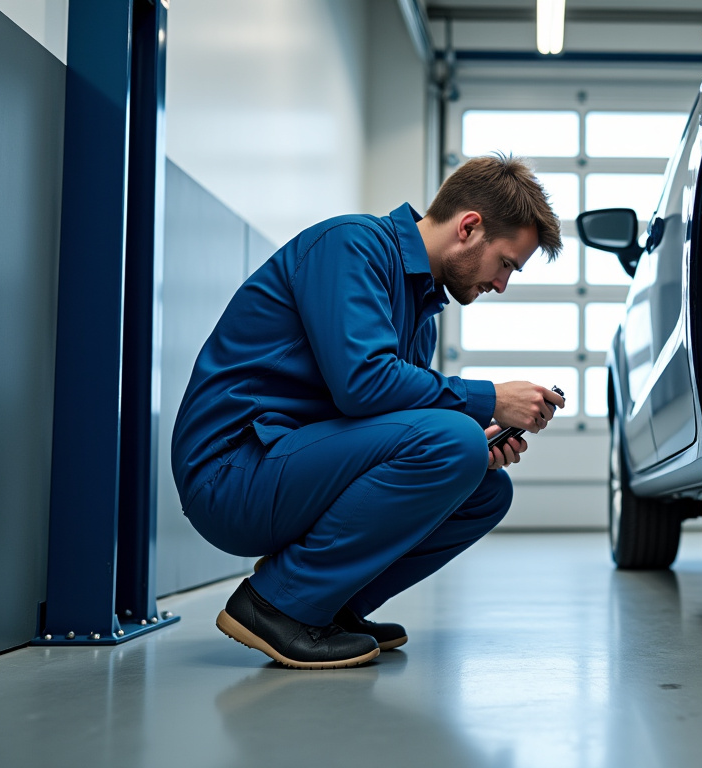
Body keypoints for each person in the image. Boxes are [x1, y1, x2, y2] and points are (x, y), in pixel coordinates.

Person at [172, 155, 566, 669]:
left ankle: (326, 607)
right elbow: (363, 386)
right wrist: (488, 399)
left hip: (292, 466)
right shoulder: (351, 246)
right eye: (507, 263)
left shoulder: (420, 314)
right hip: (231, 473)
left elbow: (384, 418)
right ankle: (276, 605)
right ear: (469, 227)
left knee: (485, 491)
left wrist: (478, 442)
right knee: (454, 442)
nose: (502, 285)